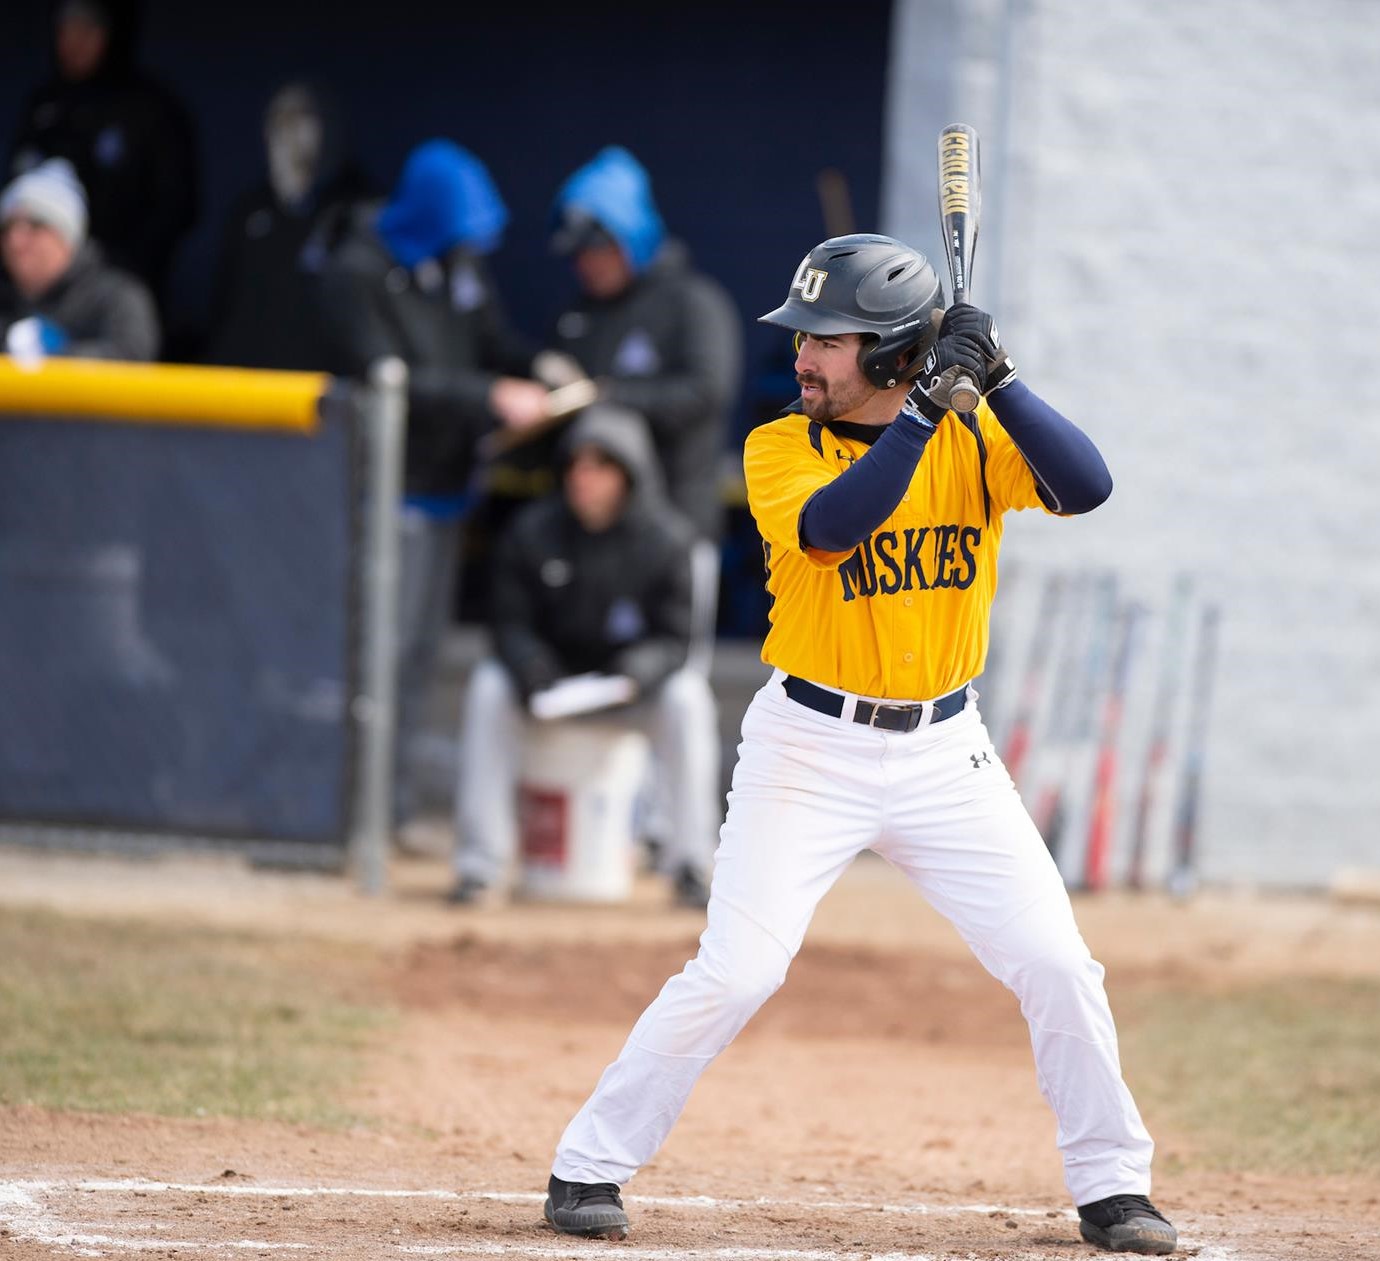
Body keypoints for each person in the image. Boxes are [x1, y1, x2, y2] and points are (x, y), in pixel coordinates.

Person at [539, 233, 1177, 1255]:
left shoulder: (974, 441)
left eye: (828, 342)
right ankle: (588, 1165)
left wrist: (999, 378)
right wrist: (928, 408)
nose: (802, 359)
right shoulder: (777, 446)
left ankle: (1112, 1188)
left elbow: (1085, 485)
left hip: (944, 751)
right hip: (811, 749)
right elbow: (837, 527)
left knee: (1058, 963)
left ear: (889, 353)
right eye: (802, 339)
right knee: (739, 969)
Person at [316, 138, 550, 836]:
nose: (465, 247)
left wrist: (541, 363)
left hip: (449, 488)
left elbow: (493, 339)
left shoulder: (458, 267)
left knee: (418, 659)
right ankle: (351, 815)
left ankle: (386, 811)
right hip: (384, 493)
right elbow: (390, 380)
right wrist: (492, 394)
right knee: (375, 661)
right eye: (455, 231)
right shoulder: (354, 271)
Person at [449, 407, 719, 910]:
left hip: (627, 691)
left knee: (687, 699)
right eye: (576, 464)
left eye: (600, 466)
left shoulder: (667, 540)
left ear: (629, 473)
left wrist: (637, 672)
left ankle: (690, 864)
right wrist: (531, 667)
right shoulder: (532, 532)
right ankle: (480, 867)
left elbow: (676, 640)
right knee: (489, 688)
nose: (582, 477)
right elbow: (507, 624)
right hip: (548, 685)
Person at [543, 146, 741, 540]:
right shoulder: (578, 315)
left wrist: (604, 396)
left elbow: (707, 391)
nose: (588, 264)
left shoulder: (694, 302)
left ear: (633, 237)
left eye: (600, 249)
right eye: (580, 253)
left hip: (677, 519)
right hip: (590, 531)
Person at [9, 0, 198, 309]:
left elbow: (176, 207)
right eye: (66, 30)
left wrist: (125, 268)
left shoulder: (149, 108)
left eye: (88, 29)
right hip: (34, 291)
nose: (75, 41)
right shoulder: (43, 106)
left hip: (116, 284)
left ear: (111, 35)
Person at [203, 80, 369, 370]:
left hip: (325, 393)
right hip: (249, 385)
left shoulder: (361, 211)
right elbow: (224, 307)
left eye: (303, 119)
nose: (287, 135)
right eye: (279, 121)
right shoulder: (249, 211)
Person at [1, 157, 157, 361]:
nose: (16, 241)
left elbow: (131, 360)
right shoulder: (5, 299)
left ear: (68, 238)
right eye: (7, 228)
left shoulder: (118, 299)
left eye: (36, 225)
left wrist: (56, 358)